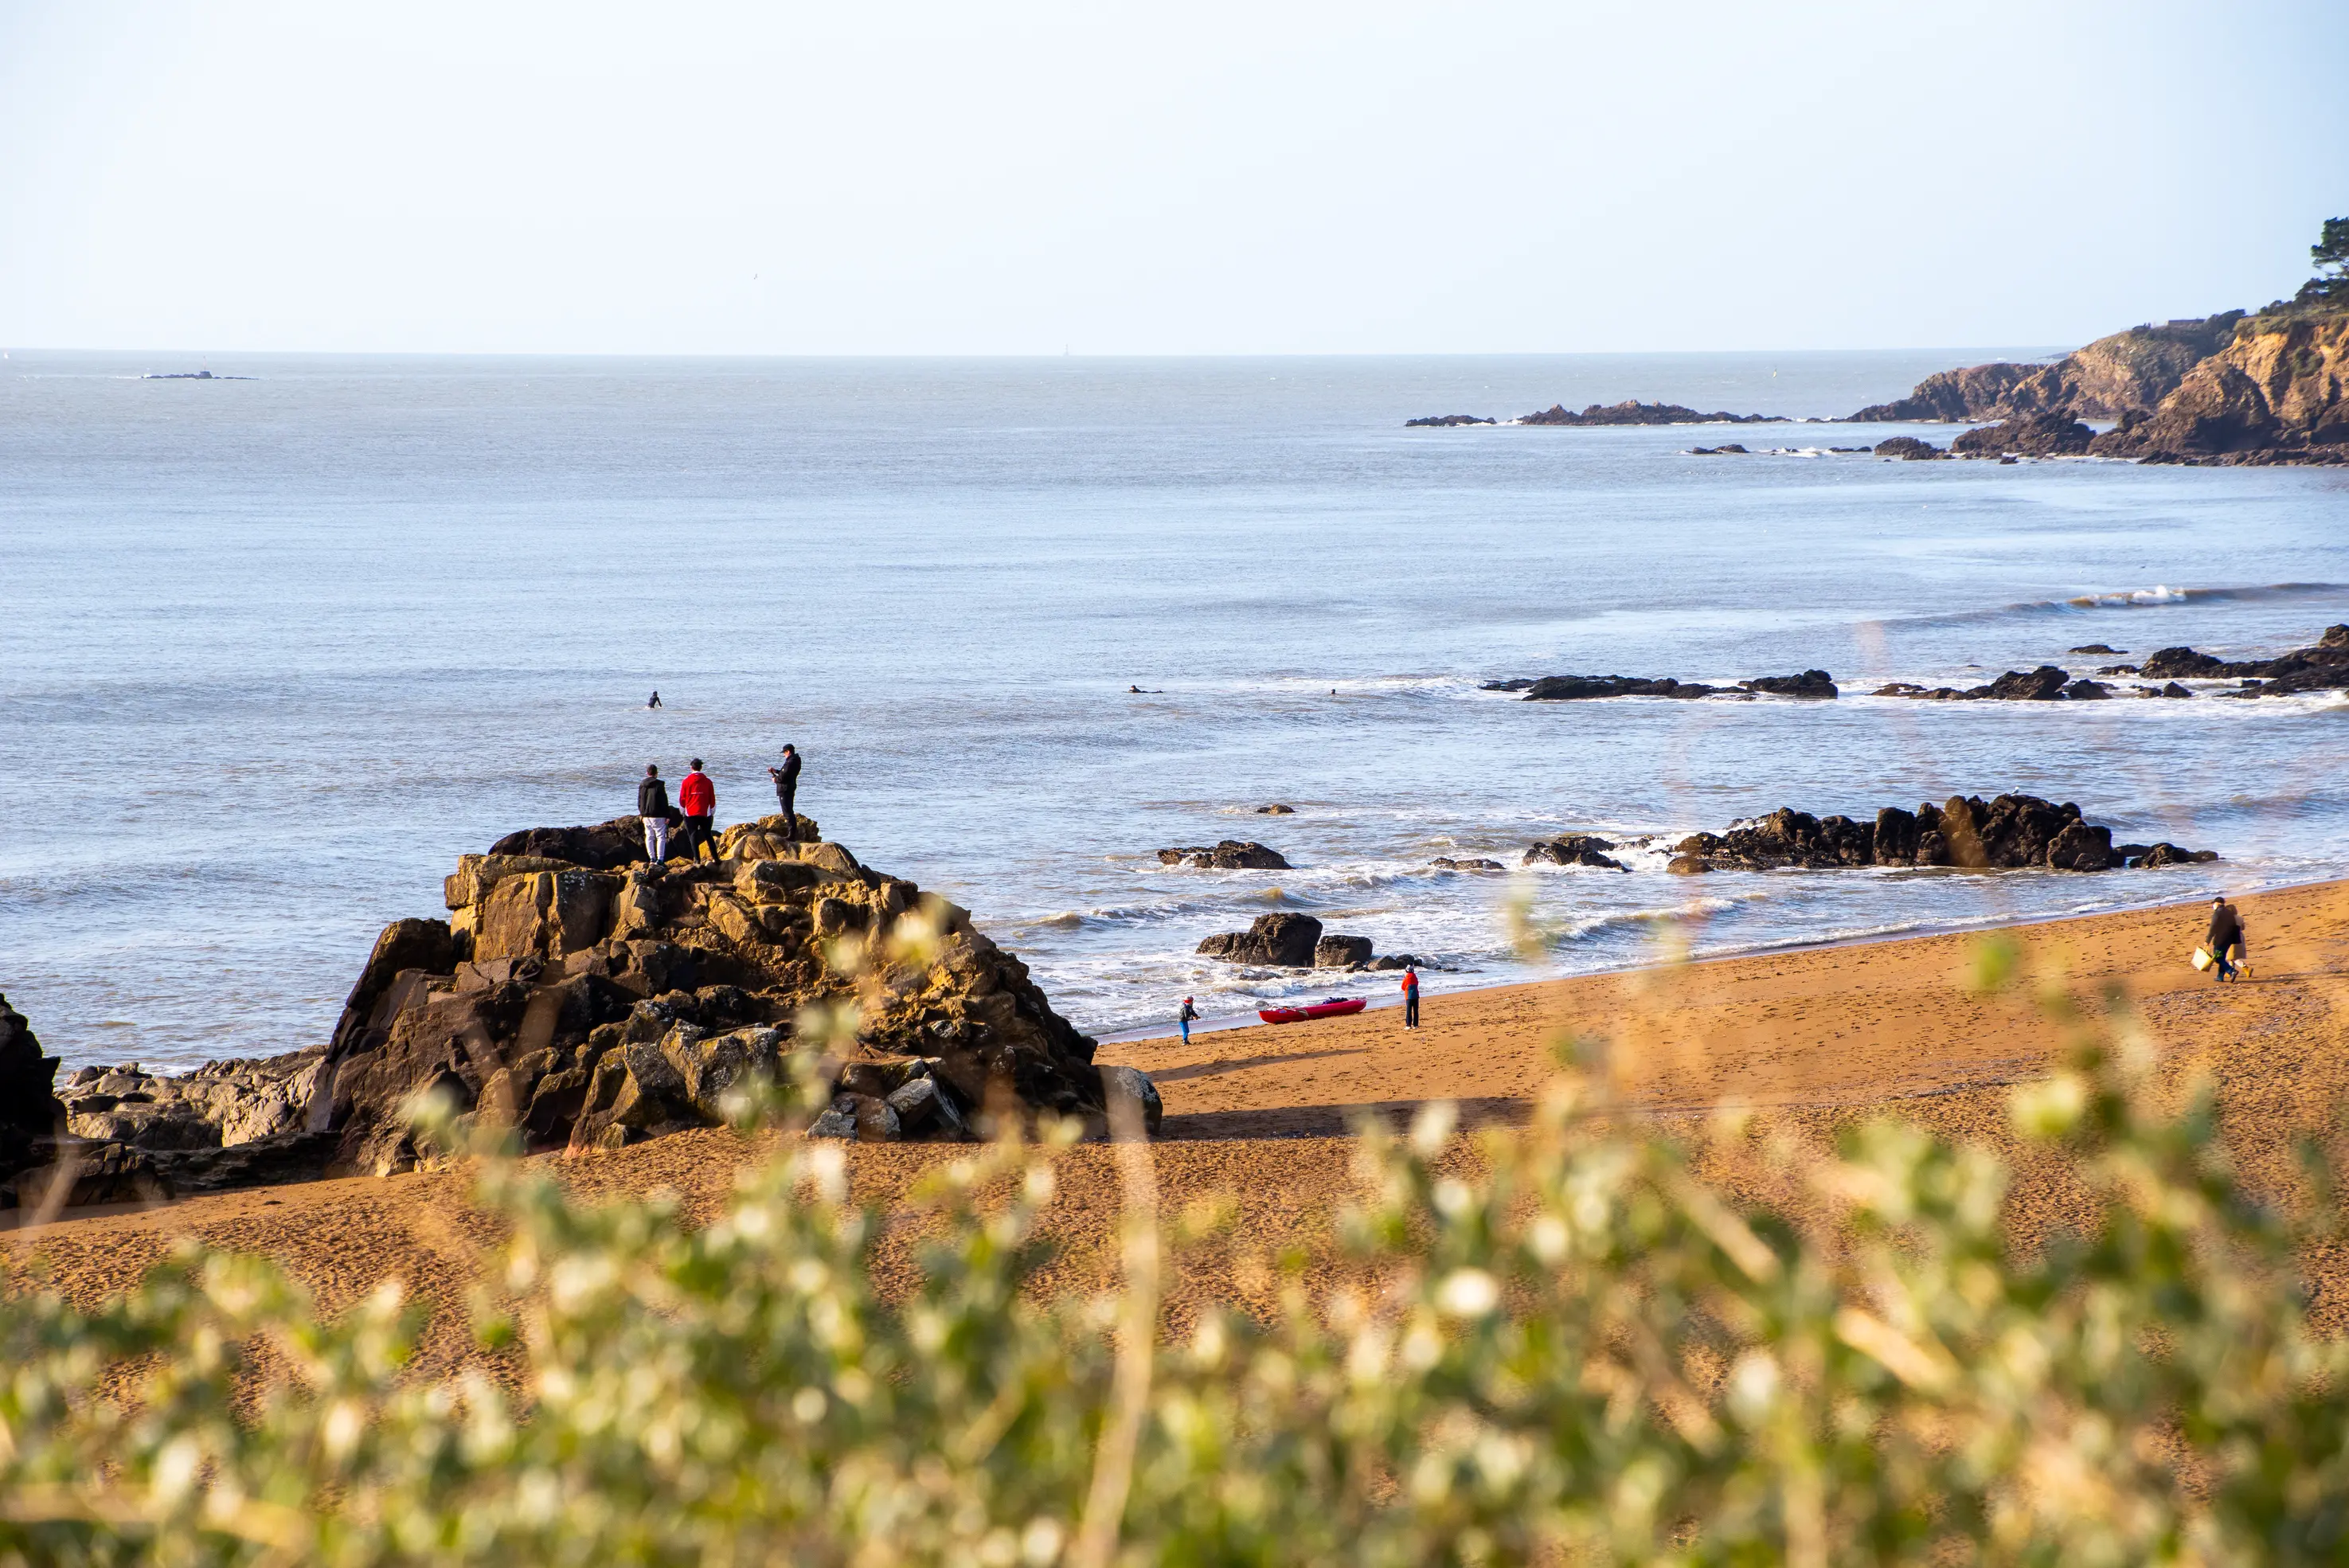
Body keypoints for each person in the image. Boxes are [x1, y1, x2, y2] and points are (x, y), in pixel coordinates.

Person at [678, 757, 717, 863]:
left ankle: (697, 860)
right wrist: (712, 811)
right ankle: (716, 858)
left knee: (693, 836)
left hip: (690, 812)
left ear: (691, 768)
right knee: (708, 835)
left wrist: (682, 810)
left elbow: (682, 798)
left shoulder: (686, 781)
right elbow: (712, 798)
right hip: (705, 813)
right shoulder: (708, 781)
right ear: (701, 767)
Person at [636, 764, 672, 863]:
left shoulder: (642, 784)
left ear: (647, 773)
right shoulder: (659, 784)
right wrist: (667, 815)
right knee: (660, 837)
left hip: (646, 815)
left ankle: (652, 858)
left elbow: (639, 800)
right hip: (658, 815)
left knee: (649, 837)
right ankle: (660, 859)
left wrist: (642, 813)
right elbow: (664, 801)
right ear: (656, 773)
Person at [2206, 894, 2245, 983]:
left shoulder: (2217, 913)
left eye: (2214, 903)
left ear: (2218, 903)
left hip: (2220, 939)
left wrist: (2207, 940)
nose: (2213, 905)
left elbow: (2213, 927)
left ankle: (2231, 971)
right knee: (2222, 957)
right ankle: (2220, 977)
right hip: (2229, 939)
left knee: (2217, 958)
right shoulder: (2229, 912)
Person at [766, 745, 802, 834]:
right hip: (790, 787)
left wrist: (775, 779)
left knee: (787, 813)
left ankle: (791, 835)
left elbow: (783, 778)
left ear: (788, 751)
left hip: (785, 789)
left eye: (784, 753)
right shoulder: (795, 760)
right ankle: (792, 834)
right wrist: (776, 771)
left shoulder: (790, 762)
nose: (783, 755)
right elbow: (786, 774)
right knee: (789, 811)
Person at [1401, 964, 1421, 1029]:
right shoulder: (1415, 978)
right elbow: (1417, 983)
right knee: (1416, 1011)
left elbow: (1403, 987)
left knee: (1409, 1011)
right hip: (1416, 996)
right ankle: (1416, 1025)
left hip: (1409, 997)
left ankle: (1408, 1025)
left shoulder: (1406, 978)